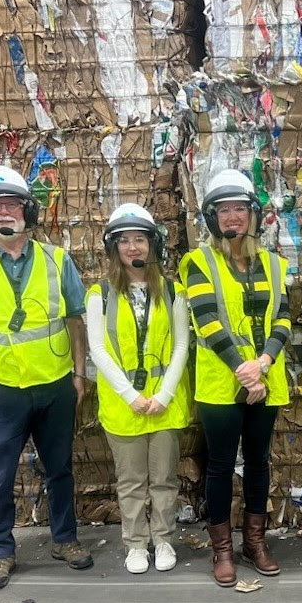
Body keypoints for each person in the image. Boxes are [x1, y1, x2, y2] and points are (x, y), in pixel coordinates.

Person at [0, 165, 93, 590]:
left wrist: (78, 374)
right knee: (0, 473)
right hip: (2, 391)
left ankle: (65, 539)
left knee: (60, 468)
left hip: (55, 385)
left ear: (28, 211)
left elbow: (76, 321)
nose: (3, 212)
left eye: (11, 204)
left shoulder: (57, 260)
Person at [179, 169, 290, 587]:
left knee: (259, 462)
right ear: (212, 217)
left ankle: (255, 542)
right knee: (221, 465)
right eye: (223, 210)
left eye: (239, 209)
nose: (232, 217)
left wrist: (262, 365)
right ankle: (222, 549)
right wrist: (245, 372)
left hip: (265, 379)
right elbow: (207, 320)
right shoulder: (197, 262)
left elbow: (283, 317)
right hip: (221, 385)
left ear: (252, 214)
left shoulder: (274, 264)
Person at [86, 204, 191, 574]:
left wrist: (162, 395)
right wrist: (131, 395)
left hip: (164, 405)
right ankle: (135, 544)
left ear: (152, 245)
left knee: (163, 480)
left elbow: (181, 345)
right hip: (123, 406)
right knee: (131, 482)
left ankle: (162, 539)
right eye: (124, 241)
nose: (133, 247)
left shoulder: (173, 291)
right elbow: (97, 350)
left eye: (140, 239)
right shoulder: (99, 294)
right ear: (113, 247)